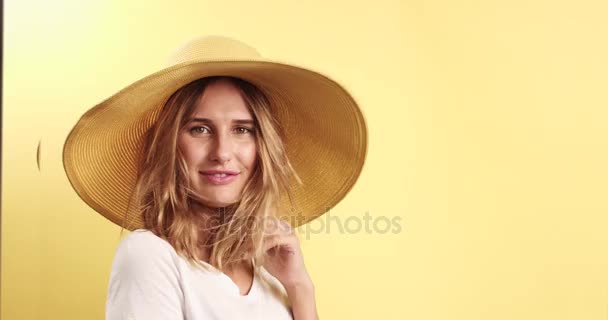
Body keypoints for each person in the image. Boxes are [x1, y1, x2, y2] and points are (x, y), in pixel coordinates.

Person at [63, 36, 368, 320]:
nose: (222, 152)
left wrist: (300, 286)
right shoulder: (149, 256)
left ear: (263, 147)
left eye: (242, 130)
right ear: (169, 144)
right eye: (200, 129)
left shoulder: (270, 272)